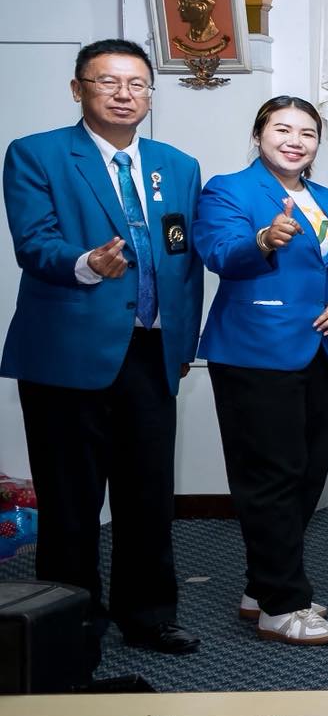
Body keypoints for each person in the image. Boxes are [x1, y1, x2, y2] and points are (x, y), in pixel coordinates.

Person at [0, 39, 204, 657]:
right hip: (67, 354)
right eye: (108, 82)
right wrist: (87, 263)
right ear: (78, 89)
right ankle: (72, 623)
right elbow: (35, 243)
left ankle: (149, 616)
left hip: (150, 352)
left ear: (150, 95)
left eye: (137, 84)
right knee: (71, 502)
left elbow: (183, 261)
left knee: (148, 497)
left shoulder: (178, 165)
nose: (124, 94)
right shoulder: (36, 154)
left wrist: (181, 343)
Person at [193, 95, 328, 646]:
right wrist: (263, 239)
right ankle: (282, 606)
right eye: (282, 129)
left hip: (319, 350)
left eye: (307, 133)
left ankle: (262, 586)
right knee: (270, 477)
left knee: (307, 475)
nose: (295, 141)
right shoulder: (229, 190)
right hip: (254, 351)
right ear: (259, 133)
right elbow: (219, 253)